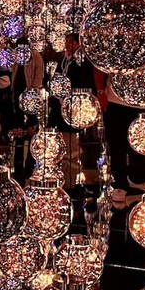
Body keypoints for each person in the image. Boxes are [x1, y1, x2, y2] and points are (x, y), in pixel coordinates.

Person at [48, 32, 105, 186]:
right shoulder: (64, 60)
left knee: (71, 147)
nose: (65, 44)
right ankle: (67, 179)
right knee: (65, 145)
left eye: (67, 41)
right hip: (61, 109)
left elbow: (85, 82)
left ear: (75, 42)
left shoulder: (81, 61)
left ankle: (71, 182)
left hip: (74, 109)